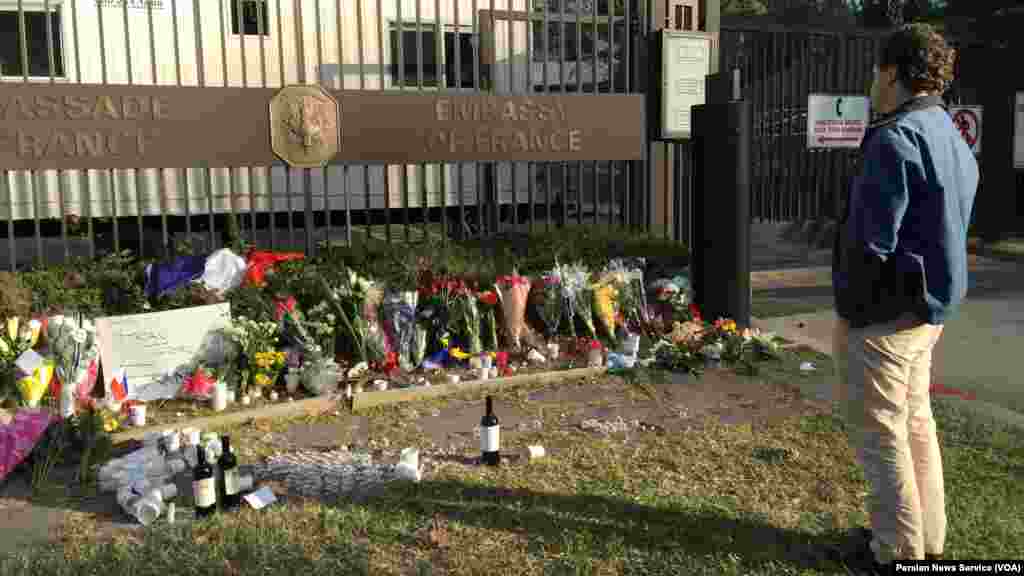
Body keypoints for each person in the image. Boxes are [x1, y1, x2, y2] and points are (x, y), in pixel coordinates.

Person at [831, 23, 978, 575]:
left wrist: (853, 310)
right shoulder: (947, 131)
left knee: (881, 435)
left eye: (875, 71)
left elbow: (870, 245)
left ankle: (894, 553)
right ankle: (926, 545)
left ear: (892, 73)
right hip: (927, 311)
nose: (872, 82)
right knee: (916, 423)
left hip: (886, 318)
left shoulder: (894, 138)